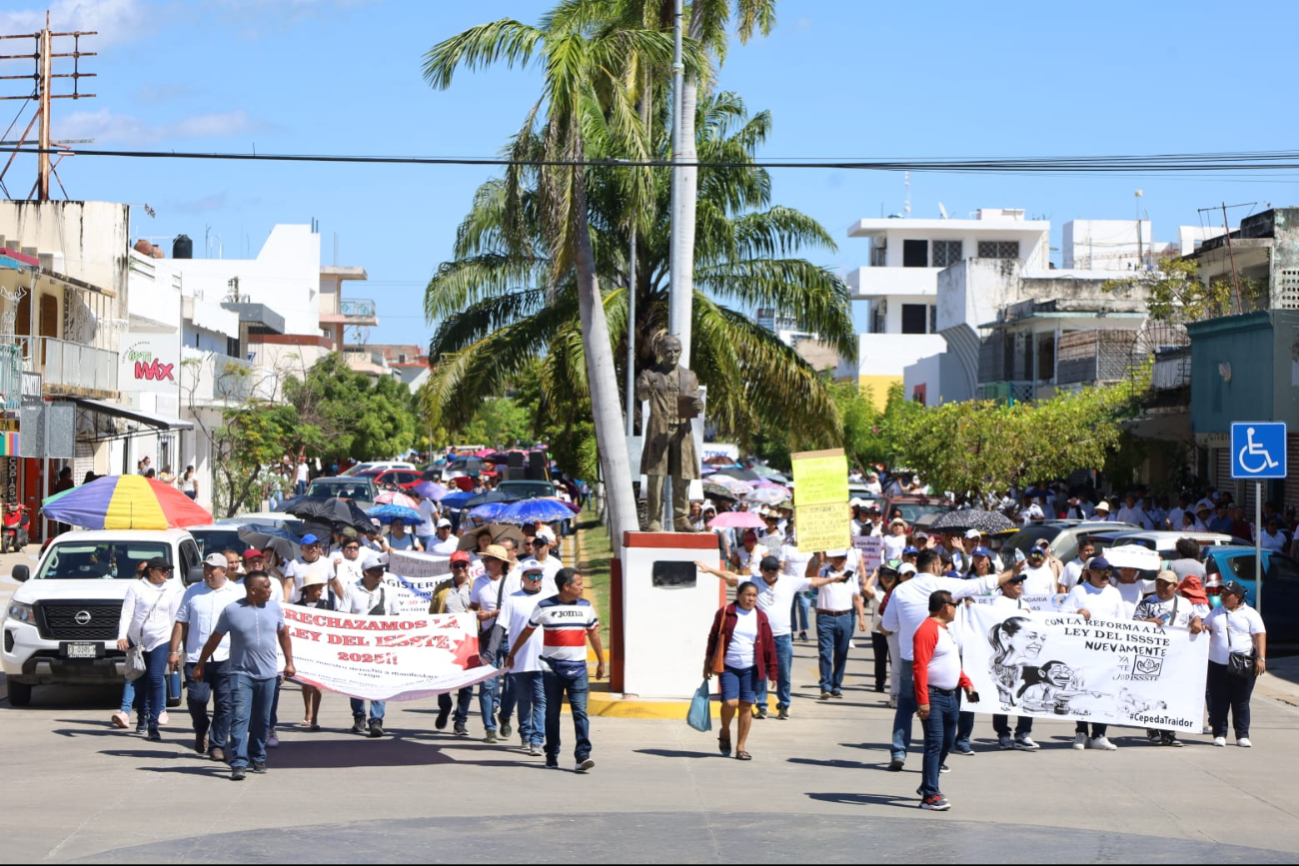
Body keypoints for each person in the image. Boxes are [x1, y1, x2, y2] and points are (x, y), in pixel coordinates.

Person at [879, 549, 1018, 772]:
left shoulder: (900, 589)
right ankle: (939, 757)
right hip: (940, 657)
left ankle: (899, 751)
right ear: (935, 566)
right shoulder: (945, 586)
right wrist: (1012, 572)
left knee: (906, 705)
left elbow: (888, 626)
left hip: (910, 658)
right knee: (940, 712)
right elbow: (981, 584)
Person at [697, 555, 848, 720]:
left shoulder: (789, 581)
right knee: (761, 672)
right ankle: (761, 705)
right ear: (761, 570)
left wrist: (833, 580)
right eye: (768, 570)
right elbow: (732, 577)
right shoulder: (754, 581)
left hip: (782, 636)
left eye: (774, 570)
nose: (771, 573)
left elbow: (812, 581)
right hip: (760, 638)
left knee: (784, 673)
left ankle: (784, 704)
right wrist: (710, 570)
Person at [194, 572, 295, 781]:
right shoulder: (232, 611)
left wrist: (289, 662)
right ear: (253, 590)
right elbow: (214, 639)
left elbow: (283, 634)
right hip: (241, 674)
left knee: (262, 720)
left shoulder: (275, 608)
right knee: (240, 717)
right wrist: (201, 664)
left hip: (268, 675)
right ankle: (239, 762)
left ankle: (257, 756)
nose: (270, 590)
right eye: (266, 586)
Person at [505, 567, 606, 773]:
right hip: (551, 669)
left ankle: (582, 754)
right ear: (566, 587)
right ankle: (552, 753)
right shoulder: (544, 606)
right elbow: (526, 632)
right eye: (578, 584)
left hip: (578, 668)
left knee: (580, 712)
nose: (582, 587)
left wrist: (602, 662)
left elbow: (594, 635)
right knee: (552, 713)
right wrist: (512, 653)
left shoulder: (586, 607)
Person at [170, 553, 242, 761]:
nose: (208, 573)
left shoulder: (237, 593)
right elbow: (181, 622)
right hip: (196, 657)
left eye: (212, 569)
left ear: (224, 571)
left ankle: (217, 745)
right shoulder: (192, 592)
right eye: (206, 569)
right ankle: (201, 728)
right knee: (197, 699)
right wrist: (174, 652)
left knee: (225, 704)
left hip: (226, 658)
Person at [913, 590, 976, 812]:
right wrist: (922, 700)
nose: (956, 609)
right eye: (954, 604)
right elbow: (920, 667)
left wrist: (966, 683)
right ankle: (930, 795)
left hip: (950, 696)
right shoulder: (926, 630)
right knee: (934, 743)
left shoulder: (945, 630)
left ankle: (927, 783)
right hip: (933, 696)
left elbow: (950, 663)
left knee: (948, 741)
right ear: (945, 606)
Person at [702, 581, 777, 761]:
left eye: (754, 595)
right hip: (729, 666)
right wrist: (707, 663)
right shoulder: (726, 613)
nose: (751, 599)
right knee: (730, 703)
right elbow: (713, 637)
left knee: (746, 706)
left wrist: (773, 671)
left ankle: (741, 746)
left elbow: (768, 645)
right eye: (747, 595)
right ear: (739, 595)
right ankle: (725, 730)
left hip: (751, 668)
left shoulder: (760, 617)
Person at [1133, 570, 1208, 747]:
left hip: (1176, 657)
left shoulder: (1185, 603)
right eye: (1158, 583)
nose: (1161, 587)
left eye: (1165, 584)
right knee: (1151, 692)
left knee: (1172, 693)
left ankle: (1169, 732)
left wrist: (1197, 622)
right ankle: (1151, 727)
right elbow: (1134, 625)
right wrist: (1147, 622)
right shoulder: (1147, 602)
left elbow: (1194, 618)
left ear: (1175, 586)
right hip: (1151, 656)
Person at [116, 557, 184, 742]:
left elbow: (174, 619)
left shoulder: (171, 589)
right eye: (163, 569)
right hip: (137, 641)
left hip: (161, 639)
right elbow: (127, 612)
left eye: (168, 569)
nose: (166, 573)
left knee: (155, 678)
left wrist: (175, 648)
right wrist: (122, 636)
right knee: (139, 681)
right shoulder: (136, 587)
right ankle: (142, 716)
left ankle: (153, 723)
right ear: (151, 570)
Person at [1060, 556, 1124, 750]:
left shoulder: (1114, 593)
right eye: (1101, 571)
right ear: (1091, 573)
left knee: (1102, 692)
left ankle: (1099, 734)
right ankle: (1081, 733)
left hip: (1106, 653)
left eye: (1108, 571)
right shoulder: (1079, 590)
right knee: (1080, 691)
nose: (1106, 575)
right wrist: (1076, 613)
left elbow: (1122, 622)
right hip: (1082, 652)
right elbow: (1061, 614)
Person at [490, 563, 548, 755]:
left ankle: (537, 739)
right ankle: (525, 733)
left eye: (538, 576)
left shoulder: (549, 598)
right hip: (519, 659)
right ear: (523, 578)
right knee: (523, 700)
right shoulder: (513, 600)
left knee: (540, 699)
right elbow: (500, 626)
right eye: (531, 576)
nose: (536, 580)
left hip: (544, 660)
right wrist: (491, 652)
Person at [341, 551, 398, 737]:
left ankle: (376, 719)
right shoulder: (352, 589)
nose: (381, 574)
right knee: (355, 680)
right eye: (376, 571)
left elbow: (396, 617)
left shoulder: (389, 591)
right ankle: (359, 716)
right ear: (366, 572)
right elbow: (343, 615)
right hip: (357, 644)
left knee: (379, 681)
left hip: (381, 644)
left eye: (382, 570)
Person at [1204, 581, 1267, 748]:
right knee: (1219, 700)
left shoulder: (1250, 614)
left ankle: (1242, 735)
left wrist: (1261, 658)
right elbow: (1204, 627)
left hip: (1243, 664)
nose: (1222, 597)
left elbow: (1260, 635)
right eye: (1222, 594)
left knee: (1241, 701)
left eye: (1227, 594)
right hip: (1218, 664)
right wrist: (1200, 626)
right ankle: (1220, 734)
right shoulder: (1215, 613)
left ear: (1238, 597)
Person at [803, 550, 866, 700]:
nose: (838, 561)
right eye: (836, 558)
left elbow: (857, 598)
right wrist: (818, 559)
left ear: (845, 559)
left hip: (845, 617)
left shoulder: (851, 575)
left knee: (841, 654)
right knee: (825, 653)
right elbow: (809, 578)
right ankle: (825, 686)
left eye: (841, 558)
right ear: (831, 558)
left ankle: (837, 686)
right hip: (825, 616)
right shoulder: (824, 572)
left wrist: (862, 618)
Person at [988, 575, 1040, 752]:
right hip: (1006, 659)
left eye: (1021, 581)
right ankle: (1003, 734)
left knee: (1025, 693)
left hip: (1023, 660)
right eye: (1015, 581)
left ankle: (1023, 733)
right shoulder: (998, 603)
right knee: (1004, 695)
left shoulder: (1024, 604)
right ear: (1004, 585)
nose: (1019, 584)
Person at [430, 550, 476, 736]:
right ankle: (445, 705)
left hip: (469, 640)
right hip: (446, 640)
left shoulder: (475, 587)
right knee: (444, 680)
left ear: (468, 566)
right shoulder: (441, 589)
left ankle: (460, 720)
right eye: (456, 565)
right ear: (451, 568)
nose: (460, 569)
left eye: (463, 565)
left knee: (467, 683)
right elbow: (432, 614)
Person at [472, 544, 515, 743]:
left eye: (489, 559)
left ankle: (505, 715)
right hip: (488, 639)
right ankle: (489, 727)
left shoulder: (513, 582)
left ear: (499, 563)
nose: (485, 563)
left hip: (509, 637)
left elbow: (513, 610)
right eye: (485, 559)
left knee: (512, 683)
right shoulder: (479, 582)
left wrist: (490, 614)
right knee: (487, 685)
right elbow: (472, 608)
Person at [295, 573, 335, 731]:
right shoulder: (297, 606)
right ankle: (308, 712)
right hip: (303, 649)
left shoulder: (327, 605)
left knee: (318, 686)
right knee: (305, 683)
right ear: (309, 589)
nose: (320, 591)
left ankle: (315, 717)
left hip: (320, 650)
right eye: (318, 588)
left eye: (322, 588)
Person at [282, 534, 341, 604]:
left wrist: (345, 603)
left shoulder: (326, 562)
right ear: (301, 548)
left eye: (316, 546)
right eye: (310, 546)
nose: (314, 549)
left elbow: (335, 583)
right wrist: (285, 604)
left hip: (322, 606)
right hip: (301, 606)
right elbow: (288, 586)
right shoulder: (294, 564)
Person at [868, 565, 899, 697]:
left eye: (891, 576)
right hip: (878, 630)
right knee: (880, 659)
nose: (887, 579)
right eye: (884, 576)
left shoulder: (898, 590)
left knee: (894, 660)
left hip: (893, 630)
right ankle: (879, 683)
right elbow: (865, 588)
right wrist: (874, 575)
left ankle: (894, 684)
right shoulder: (877, 590)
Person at [780, 532, 814, 643]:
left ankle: (803, 630)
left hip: (804, 582)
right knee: (790, 607)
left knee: (804, 605)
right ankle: (791, 630)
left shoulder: (809, 547)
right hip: (789, 582)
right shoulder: (785, 548)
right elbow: (781, 564)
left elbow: (815, 564)